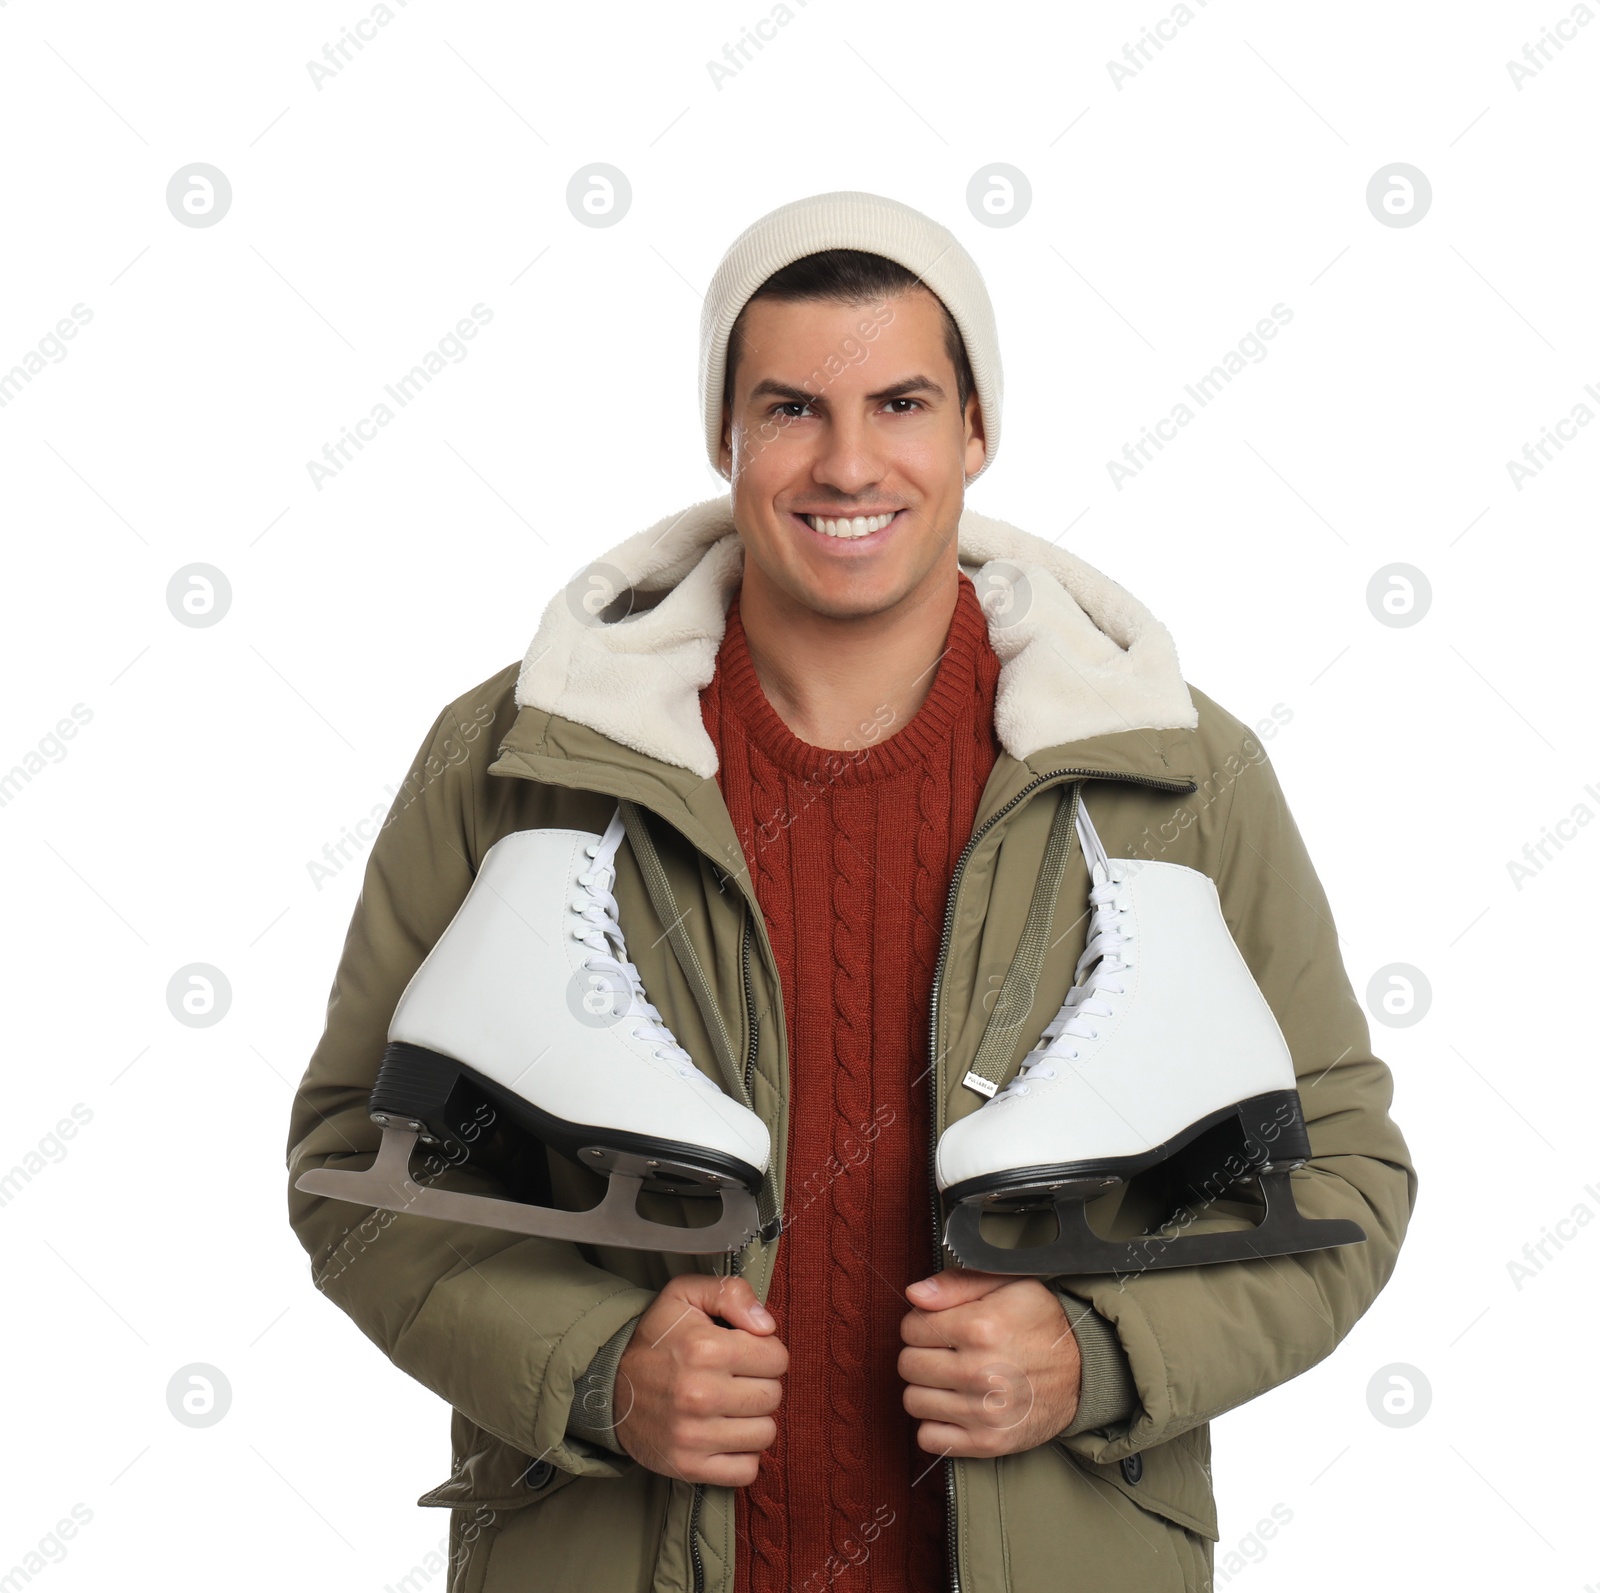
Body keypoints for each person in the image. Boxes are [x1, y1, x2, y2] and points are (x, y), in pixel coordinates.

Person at [287, 190, 1416, 1593]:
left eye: (901, 402)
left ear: (975, 433)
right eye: (790, 409)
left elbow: (1350, 1176)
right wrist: (591, 1369)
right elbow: (352, 1166)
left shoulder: (1179, 774)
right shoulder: (511, 760)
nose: (848, 462)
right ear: (725, 435)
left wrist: (1103, 1358)